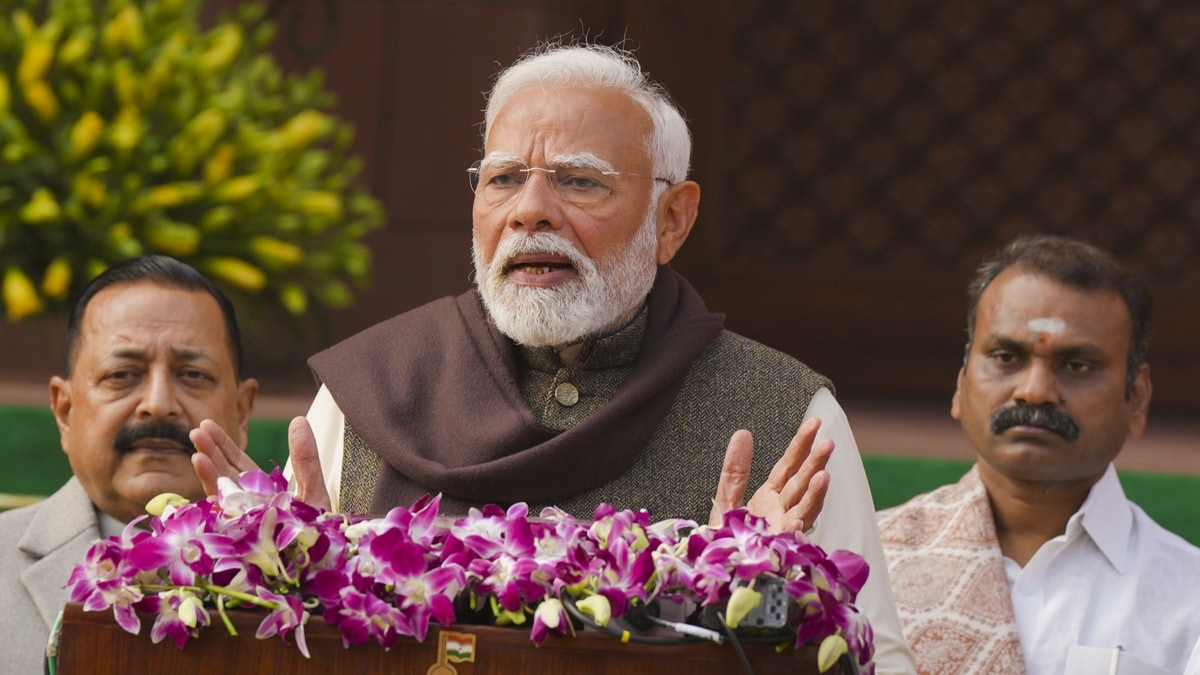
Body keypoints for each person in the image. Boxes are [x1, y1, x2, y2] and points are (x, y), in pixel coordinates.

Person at [192, 42, 915, 673]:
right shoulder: (371, 390)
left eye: (579, 180)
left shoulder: (784, 415)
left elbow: (870, 658)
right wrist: (291, 589)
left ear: (672, 219)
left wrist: (760, 605)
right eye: (504, 178)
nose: (529, 209)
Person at [876, 235, 1200, 675]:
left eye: (1077, 366)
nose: (1034, 391)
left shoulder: (1189, 598)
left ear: (1137, 399)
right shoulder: (865, 563)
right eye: (1007, 356)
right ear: (961, 384)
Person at [0, 255, 258, 675]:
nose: (158, 404)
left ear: (242, 412)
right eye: (122, 374)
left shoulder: (309, 577)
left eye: (193, 374)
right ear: (65, 411)